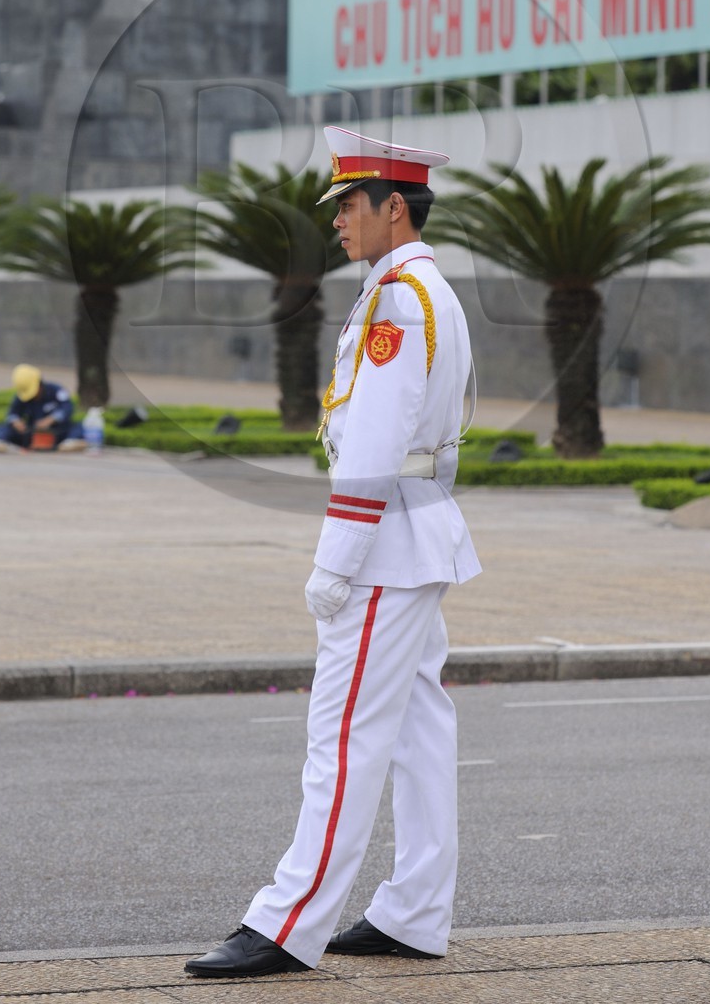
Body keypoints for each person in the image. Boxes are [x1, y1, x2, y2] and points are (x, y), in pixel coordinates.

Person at [186, 126, 481, 979]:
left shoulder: (398, 298)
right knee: (419, 731)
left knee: (343, 734)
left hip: (386, 543)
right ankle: (416, 912)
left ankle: (287, 922)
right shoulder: (419, 288)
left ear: (397, 208)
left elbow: (374, 444)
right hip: (416, 531)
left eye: (351, 205)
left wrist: (336, 560)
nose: (340, 221)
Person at [0, 364, 86, 453]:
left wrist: (50, 420)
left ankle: (71, 443)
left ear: (39, 383)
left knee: (77, 427)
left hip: (56, 432)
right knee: (2, 428)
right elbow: (12, 413)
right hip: (32, 434)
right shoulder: (22, 397)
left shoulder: (56, 390)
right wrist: (16, 422)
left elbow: (67, 408)